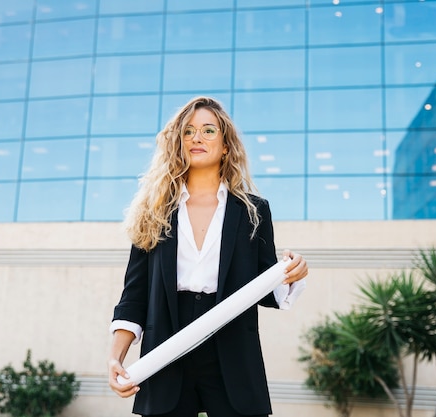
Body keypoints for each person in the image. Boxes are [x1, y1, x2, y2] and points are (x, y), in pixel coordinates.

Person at [108, 96, 309, 417]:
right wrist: (116, 357)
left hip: (232, 350)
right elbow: (134, 294)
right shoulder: (154, 210)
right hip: (166, 349)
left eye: (208, 131)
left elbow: (266, 287)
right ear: (177, 143)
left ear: (227, 145)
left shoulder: (253, 211)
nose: (196, 138)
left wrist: (292, 273)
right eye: (188, 132)